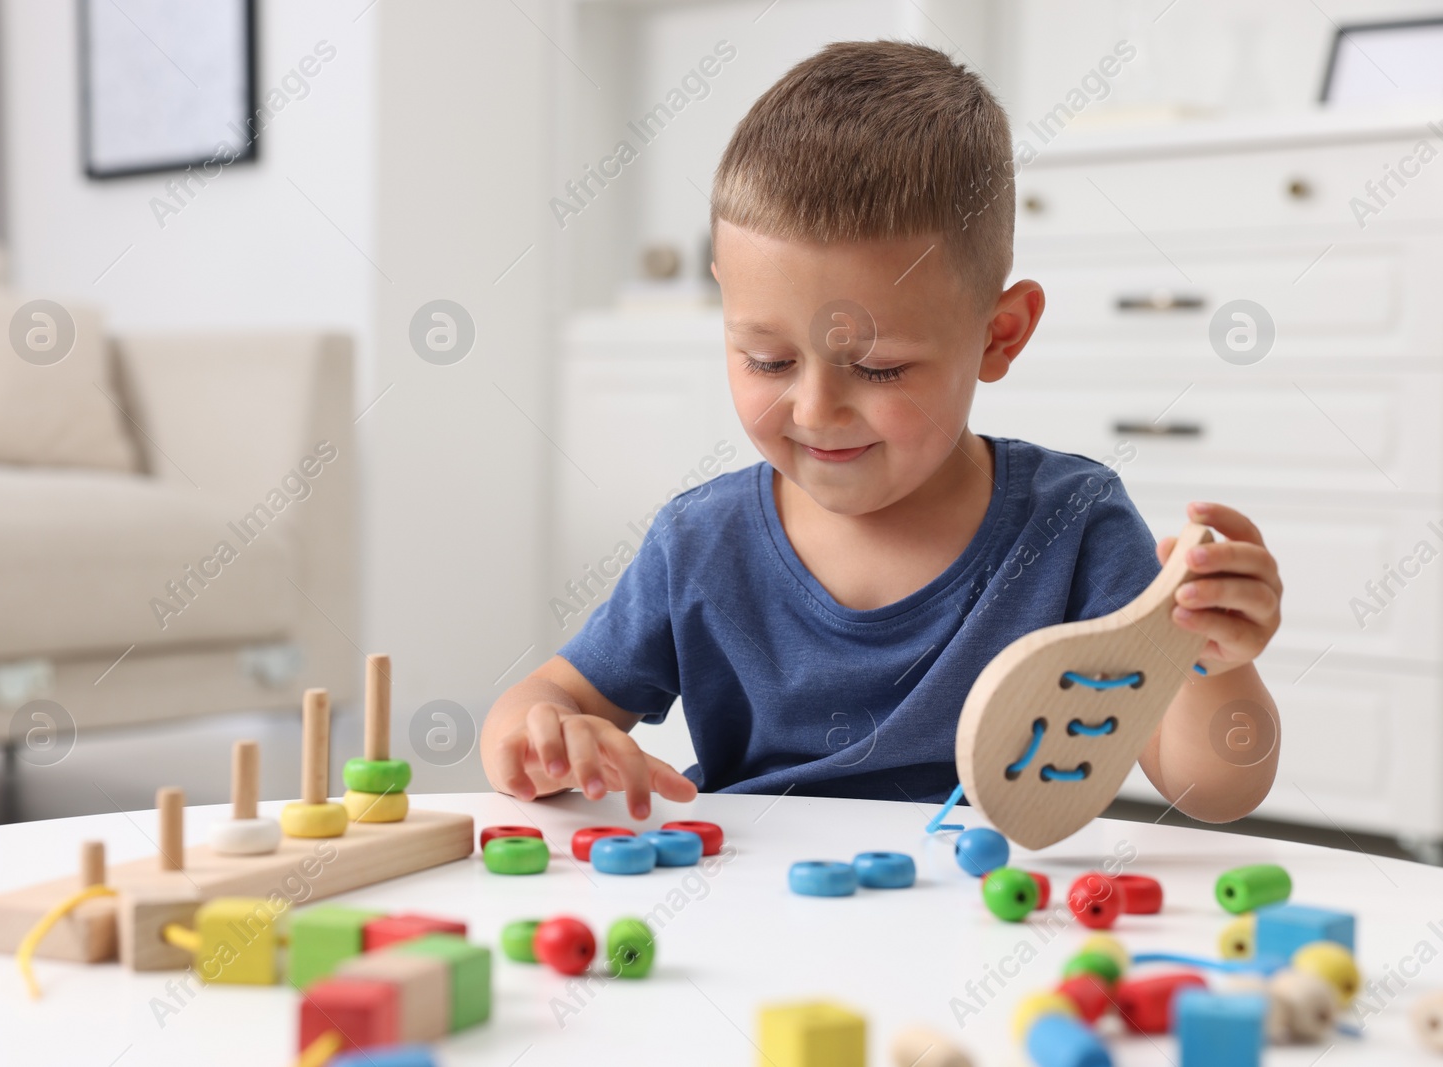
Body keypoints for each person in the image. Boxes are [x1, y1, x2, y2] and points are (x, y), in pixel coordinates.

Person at [482, 41, 1281, 825]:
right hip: (752, 917)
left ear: (1000, 335)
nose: (816, 409)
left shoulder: (1071, 523)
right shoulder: (699, 541)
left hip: (986, 924)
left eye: (881, 370)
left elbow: (1210, 787)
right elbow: (545, 700)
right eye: (768, 359)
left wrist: (1212, 661)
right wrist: (545, 736)